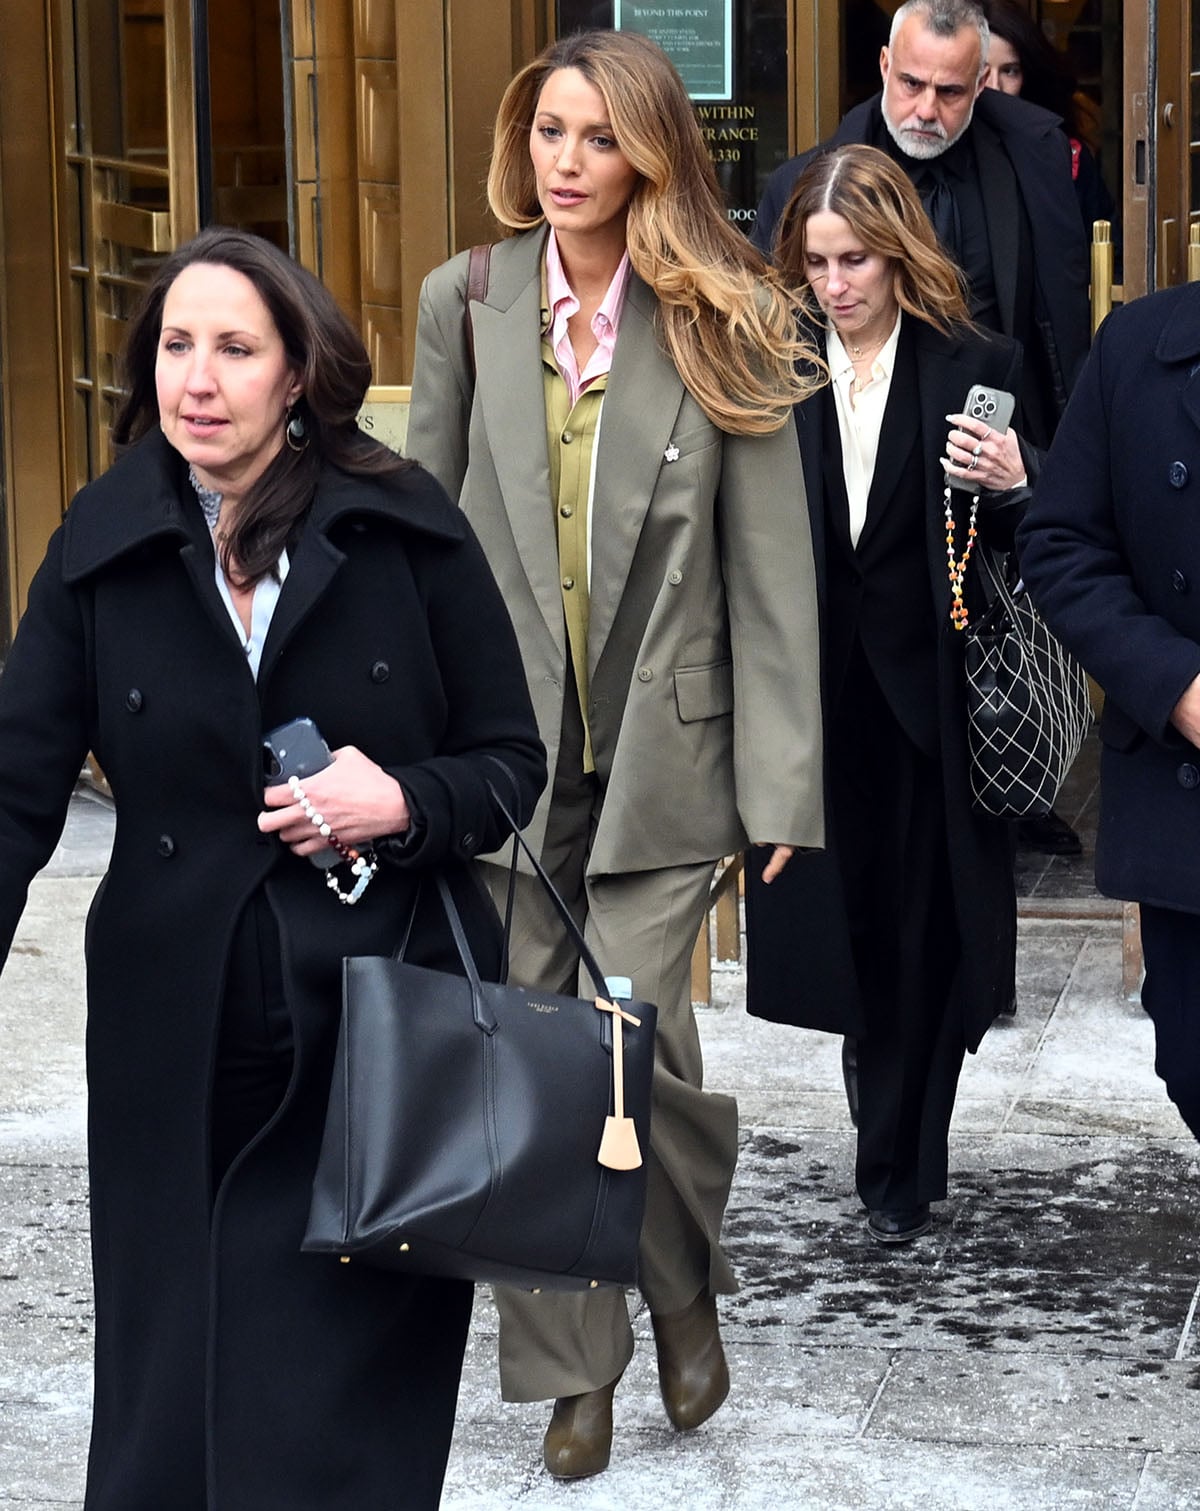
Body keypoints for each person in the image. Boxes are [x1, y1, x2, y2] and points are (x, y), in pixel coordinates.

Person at [0, 227, 546, 1509]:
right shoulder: (107, 533)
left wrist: (394, 798)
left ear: (296, 372)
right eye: (177, 347)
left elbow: (510, 762)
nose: (199, 378)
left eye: (235, 349)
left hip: (374, 1020)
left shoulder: (405, 526)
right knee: (171, 1367)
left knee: (340, 1382)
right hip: (171, 1020)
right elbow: (16, 781)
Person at [405, 27, 824, 1483]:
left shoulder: (730, 314)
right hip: (510, 759)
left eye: (594, 136)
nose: (564, 163)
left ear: (650, 152)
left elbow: (772, 576)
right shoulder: (463, 302)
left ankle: (681, 1279)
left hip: (666, 751)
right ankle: (575, 1369)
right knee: (532, 1061)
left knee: (639, 1041)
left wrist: (781, 783)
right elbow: (433, 537)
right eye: (547, 134)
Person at [744, 144, 1027, 1244]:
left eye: (855, 257)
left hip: (932, 698)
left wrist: (1016, 478)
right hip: (815, 689)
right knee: (849, 923)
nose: (835, 282)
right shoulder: (774, 362)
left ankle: (900, 1160)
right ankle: (885, 1110)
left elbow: (1027, 529)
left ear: (899, 251)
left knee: (924, 929)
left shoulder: (971, 360)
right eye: (816, 261)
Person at [1016, 283, 1200, 1145]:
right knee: (1194, 1055)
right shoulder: (1138, 346)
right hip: (1186, 784)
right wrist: (1174, 686)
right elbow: (1062, 541)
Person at [752, 0, 1089, 454]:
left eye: (949, 91)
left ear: (980, 84)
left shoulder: (1031, 161)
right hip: (862, 441)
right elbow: (769, 326)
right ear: (885, 64)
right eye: (911, 83)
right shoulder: (806, 184)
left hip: (993, 440)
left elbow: (1062, 327)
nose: (927, 109)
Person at [981, 0, 1119, 251]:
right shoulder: (938, 154)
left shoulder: (1064, 156)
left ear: (1027, 76)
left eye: (1009, 71)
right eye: (981, 70)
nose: (994, 87)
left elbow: (1112, 255)